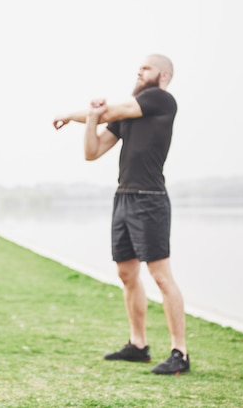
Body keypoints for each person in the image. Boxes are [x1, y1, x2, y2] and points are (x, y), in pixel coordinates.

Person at [52, 54, 189, 375]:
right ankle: (138, 345)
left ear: (163, 75)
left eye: (147, 68)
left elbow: (106, 113)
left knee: (160, 276)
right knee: (127, 274)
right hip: (123, 198)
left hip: (150, 199)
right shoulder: (127, 113)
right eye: (139, 68)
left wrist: (70, 114)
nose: (140, 72)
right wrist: (88, 119)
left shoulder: (160, 100)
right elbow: (92, 152)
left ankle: (180, 353)